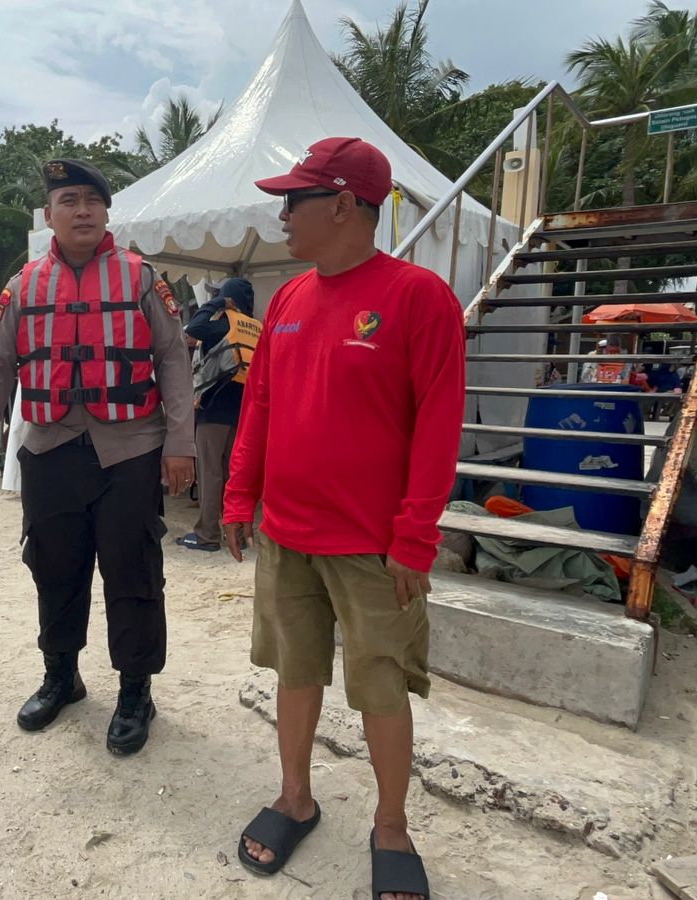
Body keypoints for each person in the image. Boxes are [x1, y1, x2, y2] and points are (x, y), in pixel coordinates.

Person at [224, 138, 464, 900]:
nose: (282, 214)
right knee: (294, 671)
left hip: (373, 548)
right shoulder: (288, 301)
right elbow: (260, 406)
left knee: (381, 686)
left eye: (293, 200)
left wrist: (415, 537)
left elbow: (439, 427)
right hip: (287, 536)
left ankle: (391, 825)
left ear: (341, 205)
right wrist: (239, 496)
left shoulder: (419, 297)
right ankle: (295, 797)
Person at [0, 159, 196, 756]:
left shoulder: (141, 278)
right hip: (49, 449)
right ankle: (61, 676)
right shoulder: (24, 285)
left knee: (133, 572)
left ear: (107, 211)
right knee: (54, 567)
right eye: (69, 200)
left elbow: (173, 359)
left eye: (92, 199)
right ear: (49, 214)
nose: (82, 210)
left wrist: (180, 444)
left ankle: (135, 691)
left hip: (130, 450)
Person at [177, 277, 256, 552]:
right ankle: (237, 533)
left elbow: (194, 327)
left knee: (210, 475)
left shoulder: (223, 325)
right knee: (234, 476)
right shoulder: (255, 329)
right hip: (243, 415)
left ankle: (207, 535)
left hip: (213, 413)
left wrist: (218, 303)